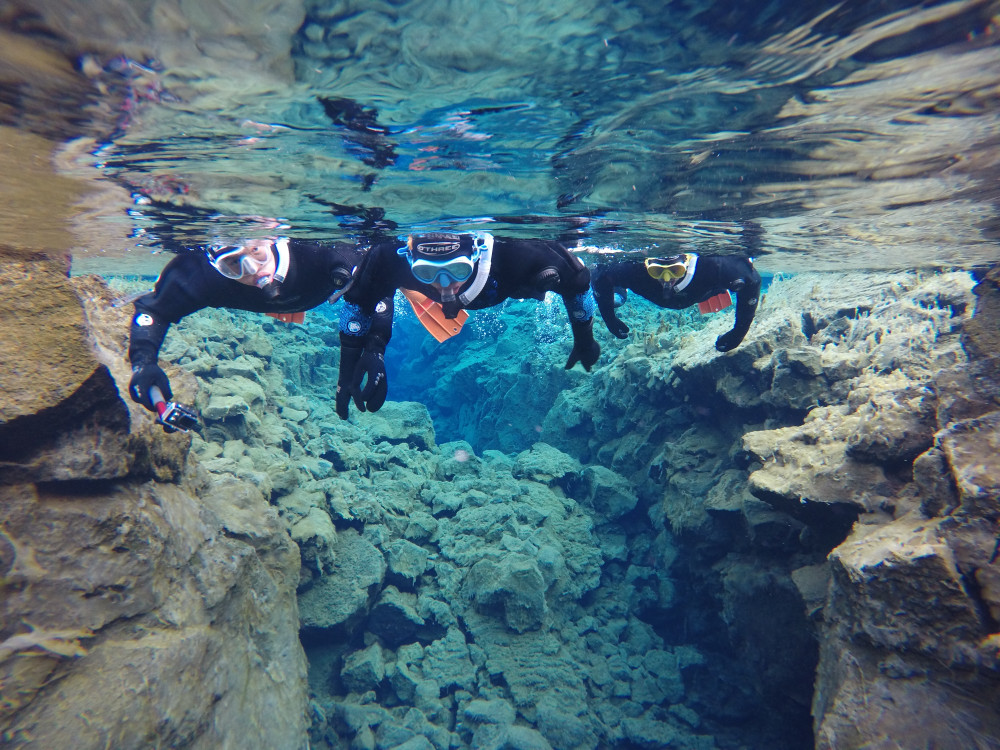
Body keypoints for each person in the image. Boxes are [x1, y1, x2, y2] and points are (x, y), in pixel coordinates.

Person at [334, 231, 600, 420]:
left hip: (510, 281)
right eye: (426, 273)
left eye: (458, 270)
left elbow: (578, 285)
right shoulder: (390, 255)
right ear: (410, 258)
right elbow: (360, 302)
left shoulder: (523, 251)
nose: (445, 285)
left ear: (477, 252)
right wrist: (367, 355)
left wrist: (584, 338)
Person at [127, 237, 379, 414]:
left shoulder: (322, 251)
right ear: (217, 267)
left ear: (271, 238)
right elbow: (152, 310)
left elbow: (373, 288)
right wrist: (143, 363)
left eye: (256, 251)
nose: (254, 269)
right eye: (234, 265)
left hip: (312, 289)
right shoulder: (200, 276)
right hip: (302, 298)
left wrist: (371, 351)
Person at [591, 252, 761, 352]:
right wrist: (609, 317)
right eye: (657, 271)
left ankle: (720, 289)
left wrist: (740, 331)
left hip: (705, 291)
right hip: (687, 292)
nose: (667, 279)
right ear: (647, 266)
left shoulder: (715, 266)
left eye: (675, 270)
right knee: (615, 293)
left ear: (687, 264)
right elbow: (600, 277)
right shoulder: (632, 270)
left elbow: (752, 281)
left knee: (727, 282)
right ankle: (620, 294)